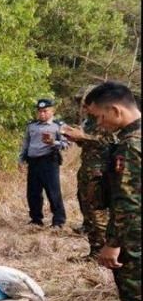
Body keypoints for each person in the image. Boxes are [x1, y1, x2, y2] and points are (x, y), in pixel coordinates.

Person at [84, 81, 141, 301]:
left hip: (134, 237)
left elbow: (127, 203)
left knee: (136, 297)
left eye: (99, 116)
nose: (99, 123)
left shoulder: (129, 149)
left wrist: (113, 244)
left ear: (116, 111)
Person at [61, 86, 115, 261]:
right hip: (87, 169)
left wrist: (83, 136)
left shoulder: (106, 119)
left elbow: (109, 141)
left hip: (100, 171)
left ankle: (101, 252)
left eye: (85, 104)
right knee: (87, 211)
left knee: (97, 212)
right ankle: (94, 251)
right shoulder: (89, 122)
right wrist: (76, 138)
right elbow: (89, 144)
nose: (83, 108)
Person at [18, 99, 70, 229]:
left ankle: (58, 220)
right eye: (40, 111)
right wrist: (21, 159)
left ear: (52, 111)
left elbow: (67, 144)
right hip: (33, 161)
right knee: (33, 192)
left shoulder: (59, 126)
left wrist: (53, 142)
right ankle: (36, 219)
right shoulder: (32, 125)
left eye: (45, 111)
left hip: (49, 161)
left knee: (53, 192)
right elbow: (26, 143)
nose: (42, 114)